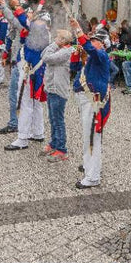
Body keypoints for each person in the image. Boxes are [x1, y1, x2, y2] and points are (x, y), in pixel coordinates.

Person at [70, 20, 112, 187]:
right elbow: (74, 67)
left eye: (95, 40)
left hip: (93, 100)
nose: (92, 42)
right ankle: (89, 165)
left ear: (103, 44)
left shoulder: (101, 56)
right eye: (92, 39)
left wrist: (78, 31)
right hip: (85, 99)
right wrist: (77, 52)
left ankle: (93, 177)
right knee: (88, 135)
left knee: (92, 137)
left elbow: (90, 49)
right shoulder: (91, 57)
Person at [4, 0, 50, 150]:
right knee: (35, 103)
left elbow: (25, 21)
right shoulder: (40, 31)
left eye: (38, 20)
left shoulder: (39, 30)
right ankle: (38, 132)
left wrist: (17, 6)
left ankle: (22, 138)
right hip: (33, 70)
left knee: (25, 104)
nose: (34, 20)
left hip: (31, 71)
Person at [41, 29, 75, 163]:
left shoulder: (66, 51)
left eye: (58, 37)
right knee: (52, 118)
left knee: (58, 120)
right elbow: (43, 54)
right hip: (51, 88)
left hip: (58, 90)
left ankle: (61, 149)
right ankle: (54, 143)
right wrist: (55, 45)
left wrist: (54, 45)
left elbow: (47, 58)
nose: (55, 39)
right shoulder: (59, 49)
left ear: (63, 40)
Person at [0, 0, 27, 134]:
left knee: (15, 95)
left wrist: (4, 5)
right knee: (18, 95)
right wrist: (5, 54)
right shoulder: (23, 25)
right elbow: (10, 37)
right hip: (17, 61)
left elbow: (12, 19)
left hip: (22, 64)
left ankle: (15, 123)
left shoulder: (26, 25)